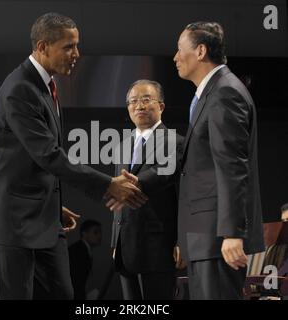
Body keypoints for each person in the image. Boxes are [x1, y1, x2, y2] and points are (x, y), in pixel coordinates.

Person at [0, 12, 147, 300]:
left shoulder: (47, 85)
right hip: (9, 225)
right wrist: (108, 184)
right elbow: (49, 156)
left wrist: (51, 208)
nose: (76, 54)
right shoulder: (19, 89)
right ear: (42, 47)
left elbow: (34, 162)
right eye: (68, 47)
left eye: (76, 45)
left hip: (43, 222)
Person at [111, 22, 265, 300]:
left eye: (180, 50)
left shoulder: (224, 93)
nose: (175, 57)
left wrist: (232, 233)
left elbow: (233, 167)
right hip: (204, 239)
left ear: (201, 51)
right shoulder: (209, 94)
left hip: (216, 238)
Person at [110, 80, 184, 300]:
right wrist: (116, 241)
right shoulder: (121, 146)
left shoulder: (176, 142)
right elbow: (118, 197)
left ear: (161, 106)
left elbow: (182, 195)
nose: (139, 106)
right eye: (133, 101)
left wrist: (182, 241)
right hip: (125, 248)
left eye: (146, 99)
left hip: (158, 246)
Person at [69, 220, 102, 300]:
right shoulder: (78, 251)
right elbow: (76, 280)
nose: (99, 236)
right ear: (84, 234)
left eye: (100, 232)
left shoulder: (81, 249)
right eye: (95, 232)